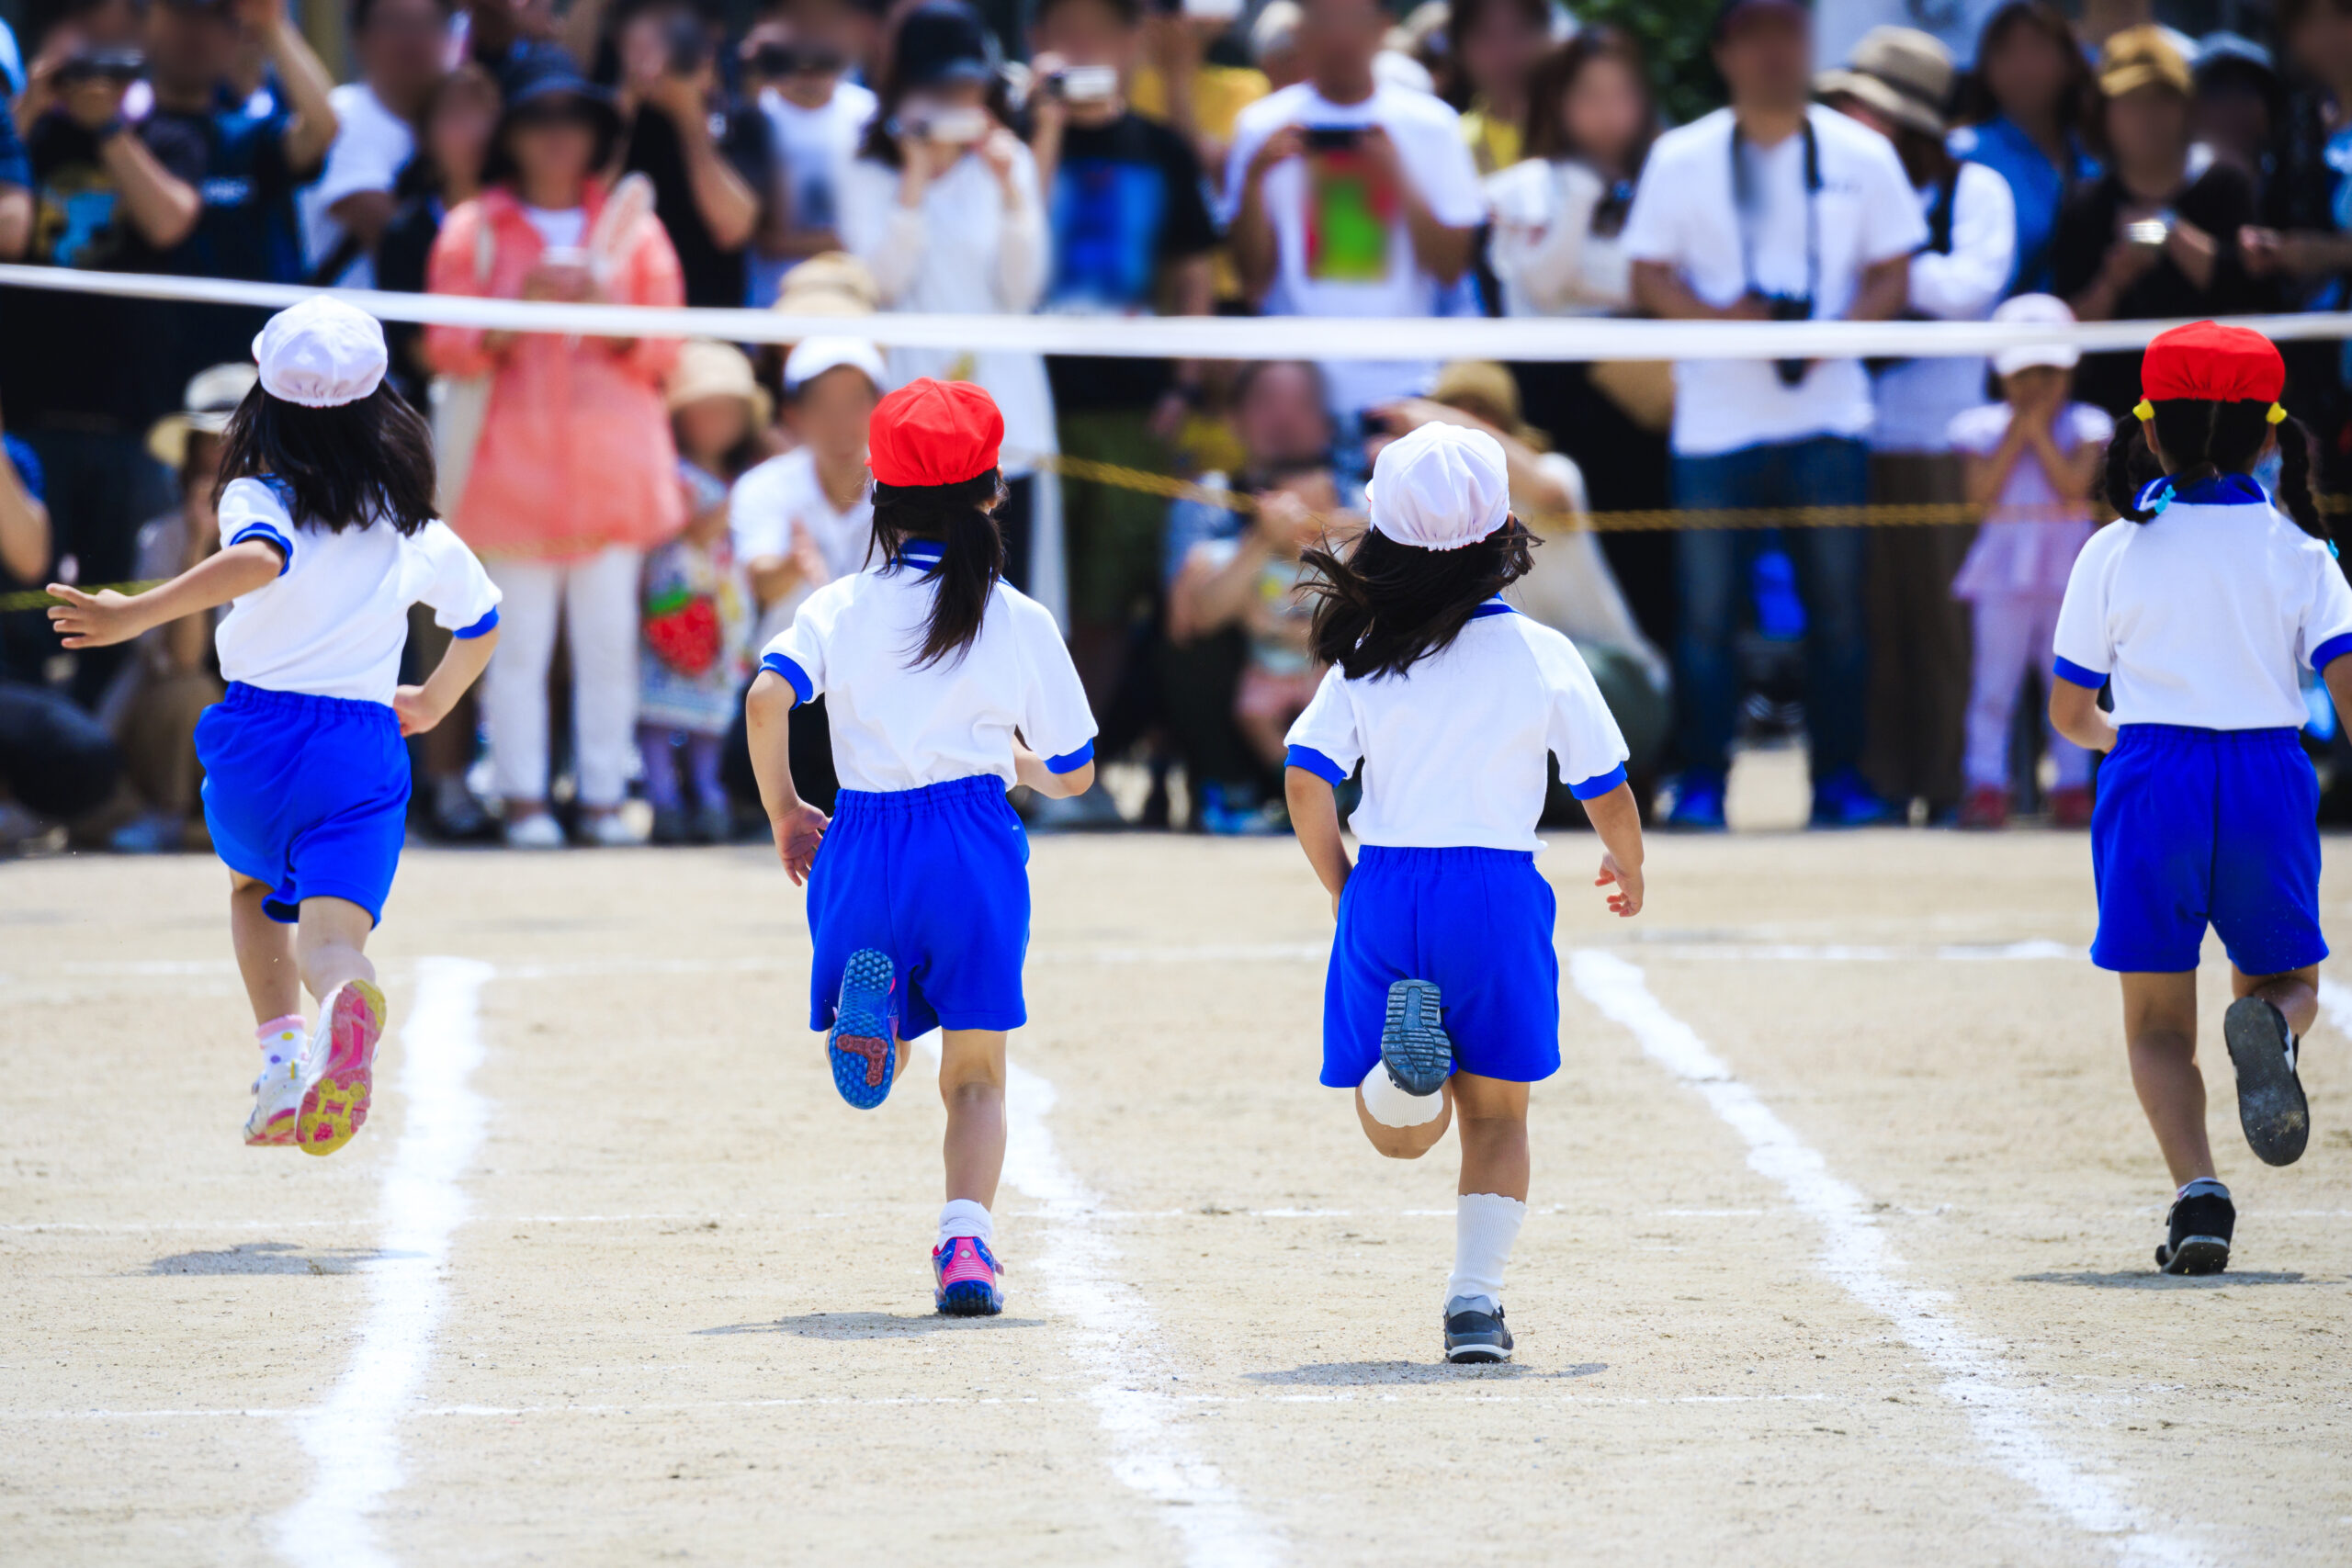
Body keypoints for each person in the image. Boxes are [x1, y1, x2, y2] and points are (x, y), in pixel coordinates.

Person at [41, 299, 501, 1156]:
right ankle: (341, 1005)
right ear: (382, 407)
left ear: (263, 403)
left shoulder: (255, 490)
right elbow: (481, 621)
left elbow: (262, 557)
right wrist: (434, 702)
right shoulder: (408, 518)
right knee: (333, 940)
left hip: (264, 737)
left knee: (254, 891)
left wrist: (134, 612)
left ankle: (285, 1063)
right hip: (365, 746)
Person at [1282, 423, 1644, 1365]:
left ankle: (1399, 1081)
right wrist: (1627, 862)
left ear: (1382, 538)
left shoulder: (1361, 651)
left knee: (1399, 1137)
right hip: (1495, 888)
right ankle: (1474, 1307)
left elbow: (1306, 776)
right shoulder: (1542, 653)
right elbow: (1602, 783)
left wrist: (1341, 882)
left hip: (1390, 884)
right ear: (1503, 534)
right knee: (1496, 1116)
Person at [743, 378, 1098, 1317]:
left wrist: (784, 807)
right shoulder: (1019, 617)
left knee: (888, 1027)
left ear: (877, 493)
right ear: (993, 495)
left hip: (861, 835)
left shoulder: (837, 607)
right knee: (977, 1075)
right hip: (971, 841)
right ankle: (965, 1244)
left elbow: (765, 698)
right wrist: (1008, 762)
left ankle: (883, 1014)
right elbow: (1075, 770)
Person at [2047, 321, 2348, 1277]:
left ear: (2150, 430)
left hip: (2150, 780)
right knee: (2283, 983)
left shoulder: (2111, 550)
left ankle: (2199, 1193)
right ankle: (2277, 1031)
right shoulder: (2302, 554)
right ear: (2270, 436)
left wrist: (2119, 735)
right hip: (2265, 776)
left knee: (2157, 1027)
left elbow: (2068, 710)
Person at [1622, 0, 1925, 831]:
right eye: (1753, 32)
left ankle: (1839, 782)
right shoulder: (1682, 156)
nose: (1772, 50)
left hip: (1829, 409)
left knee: (1838, 614)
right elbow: (1648, 271)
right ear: (1723, 50)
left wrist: (1835, 337)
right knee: (1707, 618)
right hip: (1717, 418)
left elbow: (1893, 269)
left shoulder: (1863, 152)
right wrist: (1727, 325)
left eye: (1788, 29)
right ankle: (1705, 783)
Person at [424, 49, 684, 850]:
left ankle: (606, 795)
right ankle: (524, 797)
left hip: (611, 473)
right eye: (539, 118)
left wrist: (604, 302)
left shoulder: (635, 228)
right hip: (511, 476)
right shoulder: (472, 228)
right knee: (517, 647)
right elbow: (446, 345)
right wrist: (519, 304)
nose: (557, 136)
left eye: (575, 119)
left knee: (610, 643)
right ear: (513, 134)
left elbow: (665, 350)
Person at [1819, 27, 2017, 825]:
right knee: (1876, 621)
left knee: (1950, 625)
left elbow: (1971, 286)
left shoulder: (1977, 188)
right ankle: (1883, 779)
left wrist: (1888, 273)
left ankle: (1952, 782)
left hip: (1951, 440)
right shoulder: (1843, 191)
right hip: (1859, 433)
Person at [1027, 0, 1216, 716]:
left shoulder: (1164, 149)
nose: (1084, 46)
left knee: (1111, 589)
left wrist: (1186, 385)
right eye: (1067, 30)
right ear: (1037, 40)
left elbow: (1194, 272)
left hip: (1137, 403)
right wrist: (1038, 122)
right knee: (1024, 582)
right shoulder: (1014, 138)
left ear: (1134, 41)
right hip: (1026, 396)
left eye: (1102, 30)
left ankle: (1076, 765)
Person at [840, 2, 1057, 609]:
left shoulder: (1006, 163)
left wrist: (1013, 189)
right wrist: (915, 177)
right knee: (915, 596)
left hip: (1007, 412)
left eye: (970, 83)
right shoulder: (868, 169)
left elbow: (1024, 288)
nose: (960, 98)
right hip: (914, 413)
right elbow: (879, 282)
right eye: (942, 85)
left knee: (1008, 598)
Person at [1484, 27, 1671, 653]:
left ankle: (1651, 727)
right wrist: (1582, 197)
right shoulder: (1522, 184)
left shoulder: (1669, 177)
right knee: (1549, 562)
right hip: (1549, 407)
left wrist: (1599, 283)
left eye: (1622, 93)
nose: (1608, 111)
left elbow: (1664, 283)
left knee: (1648, 564)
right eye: (1589, 94)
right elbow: (1541, 281)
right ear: (1556, 100)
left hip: (1643, 408)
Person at [1223, 0, 1487, 421]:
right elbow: (1252, 280)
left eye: (1353, 19)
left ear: (1384, 27)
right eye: (1322, 19)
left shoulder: (1432, 125)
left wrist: (1396, 177)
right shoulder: (1261, 126)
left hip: (1409, 383)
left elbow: (1451, 267)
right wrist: (1256, 178)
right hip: (1296, 391)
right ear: (1299, 29)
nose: (1340, 35)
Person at [1948, 293, 2105, 830]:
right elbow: (1979, 497)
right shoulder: (1981, 428)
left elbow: (2072, 490)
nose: (2035, 385)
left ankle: (2073, 785)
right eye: (2024, 373)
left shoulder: (2088, 426)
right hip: (2002, 578)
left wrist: (2038, 431)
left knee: (2071, 684)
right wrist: (2021, 431)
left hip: (2069, 580)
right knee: (1993, 685)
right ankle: (1986, 783)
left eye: (2048, 371)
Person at [2052, 28, 2268, 418]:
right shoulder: (2085, 204)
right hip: (2113, 420)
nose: (2147, 118)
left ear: (2187, 108)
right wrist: (2114, 278)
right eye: (2130, 102)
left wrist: (2169, 232)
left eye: (2162, 100)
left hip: (2215, 418)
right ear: (2104, 113)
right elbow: (2067, 334)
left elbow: (2252, 299)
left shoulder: (2227, 186)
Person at [727, 334, 886, 815]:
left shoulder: (910, 489)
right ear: (794, 414)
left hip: (882, 689)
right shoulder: (765, 487)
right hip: (790, 690)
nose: (839, 422)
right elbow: (761, 581)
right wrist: (794, 563)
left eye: (854, 402)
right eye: (822, 404)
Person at [100, 363, 254, 852]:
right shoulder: (162, 538)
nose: (220, 457)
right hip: (161, 724)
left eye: (233, 442)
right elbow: (182, 661)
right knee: (194, 690)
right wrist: (197, 546)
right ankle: (169, 814)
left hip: (249, 724)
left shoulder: (287, 537)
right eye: (209, 441)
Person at [641, 341, 763, 844]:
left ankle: (708, 794)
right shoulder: (671, 474)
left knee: (713, 709)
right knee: (658, 704)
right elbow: (690, 535)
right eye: (704, 410)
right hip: (675, 603)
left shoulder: (739, 476)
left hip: (723, 608)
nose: (717, 421)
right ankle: (663, 797)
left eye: (729, 410)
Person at [607, 0, 767, 309]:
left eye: (678, 27)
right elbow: (585, 205)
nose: (665, 43)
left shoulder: (743, 120)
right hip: (617, 324)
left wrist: (689, 114)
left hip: (706, 329)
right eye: (655, 22)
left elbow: (731, 228)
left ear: (712, 39)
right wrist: (626, 102)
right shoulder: (593, 116)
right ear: (620, 36)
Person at [1949, 2, 2100, 296]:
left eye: (2036, 49)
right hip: (1993, 334)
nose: (2023, 68)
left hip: (2086, 331)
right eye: (2006, 52)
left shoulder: (2098, 154)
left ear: (2069, 61)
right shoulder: (1960, 154)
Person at [300, 0, 452, 288]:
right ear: (359, 39)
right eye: (394, 23)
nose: (412, 39)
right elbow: (395, 240)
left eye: (426, 24)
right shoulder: (340, 116)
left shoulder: (469, 118)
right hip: (349, 328)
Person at [741, 8, 877, 304]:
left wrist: (789, 243)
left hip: (851, 301)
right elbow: (760, 235)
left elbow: (865, 232)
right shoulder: (754, 113)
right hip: (770, 306)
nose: (811, 42)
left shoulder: (868, 115)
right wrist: (751, 79)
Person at [1444, 0, 1551, 175]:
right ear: (1460, 50)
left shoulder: (1577, 133)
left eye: (1519, 30)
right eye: (1485, 35)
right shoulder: (1452, 143)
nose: (1504, 51)